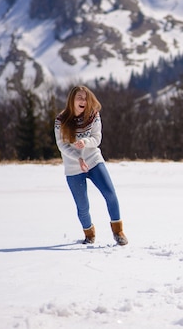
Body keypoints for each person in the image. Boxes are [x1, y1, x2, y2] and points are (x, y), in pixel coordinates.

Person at [54, 85, 128, 246]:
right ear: (72, 100)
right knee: (83, 206)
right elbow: (62, 145)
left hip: (94, 161)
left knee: (110, 194)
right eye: (80, 97)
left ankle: (118, 231)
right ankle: (89, 234)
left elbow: (97, 138)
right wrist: (78, 158)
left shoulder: (94, 115)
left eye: (86, 98)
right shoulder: (61, 120)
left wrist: (86, 142)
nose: (83, 101)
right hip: (73, 167)